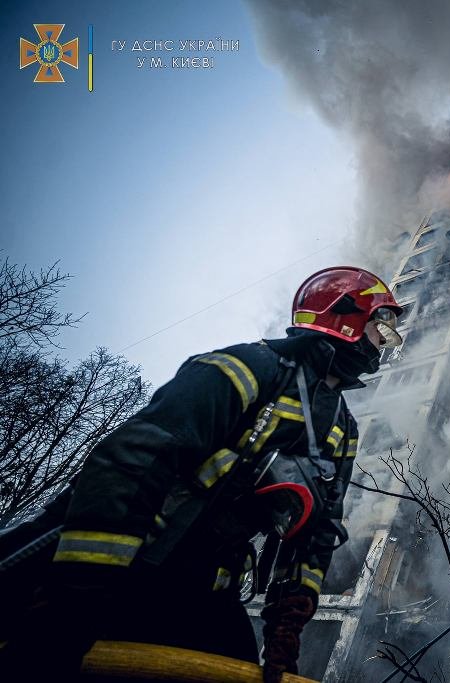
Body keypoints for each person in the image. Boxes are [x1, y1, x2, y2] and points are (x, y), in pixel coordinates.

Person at [0, 266, 403, 682]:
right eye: (381, 326)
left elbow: (317, 533)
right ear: (347, 314)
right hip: (109, 569)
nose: (383, 342)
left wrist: (288, 622)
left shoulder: (341, 427)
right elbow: (131, 461)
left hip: (204, 586)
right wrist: (78, 595)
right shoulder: (248, 367)